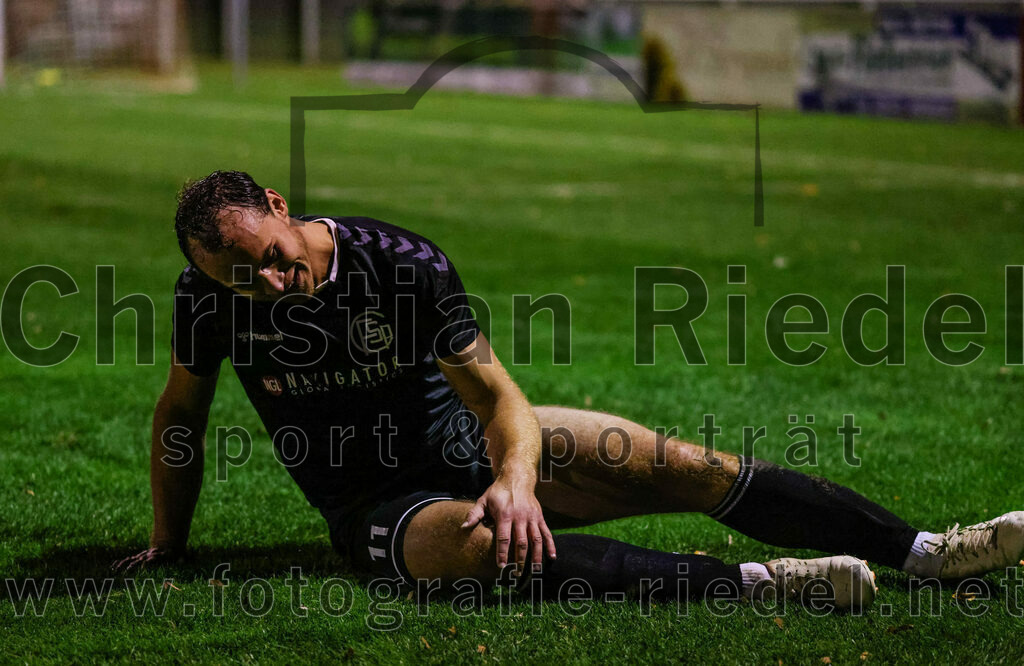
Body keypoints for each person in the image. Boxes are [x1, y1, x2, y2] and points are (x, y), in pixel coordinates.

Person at [115, 170, 1024, 611]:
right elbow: (180, 418)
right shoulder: (209, 301)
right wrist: (167, 542)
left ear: (279, 207)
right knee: (485, 551)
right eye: (242, 280)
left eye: (267, 262)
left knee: (682, 464)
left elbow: (500, 399)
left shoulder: (400, 263)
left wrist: (513, 476)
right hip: (376, 502)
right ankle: (765, 587)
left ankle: (929, 553)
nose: (267, 287)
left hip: (471, 448)